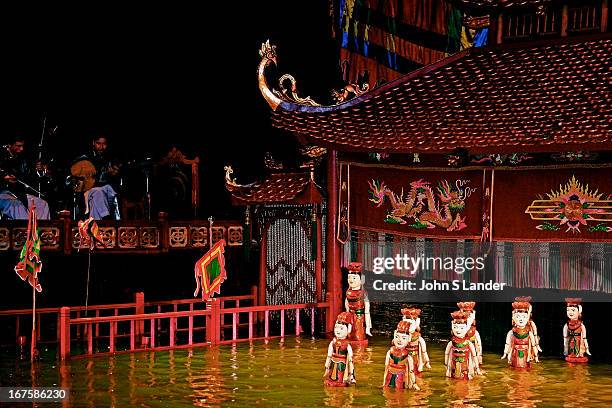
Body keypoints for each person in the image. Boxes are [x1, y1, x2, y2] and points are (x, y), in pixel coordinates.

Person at [0, 136, 50, 219]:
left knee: (42, 204)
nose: (22, 149)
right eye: (18, 146)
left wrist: (39, 171)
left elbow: (29, 177)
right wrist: (3, 178)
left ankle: (41, 230)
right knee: (18, 207)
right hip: (3, 193)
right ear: (9, 145)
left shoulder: (23, 158)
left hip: (18, 193)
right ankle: (25, 230)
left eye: (22, 146)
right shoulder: (1, 154)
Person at [72, 135, 121, 220]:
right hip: (90, 192)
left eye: (104, 144)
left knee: (98, 193)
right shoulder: (85, 158)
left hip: (108, 192)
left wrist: (114, 174)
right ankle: (103, 220)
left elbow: (118, 183)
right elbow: (74, 179)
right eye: (99, 143)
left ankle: (98, 225)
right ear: (93, 143)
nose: (101, 147)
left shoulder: (112, 158)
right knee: (97, 193)